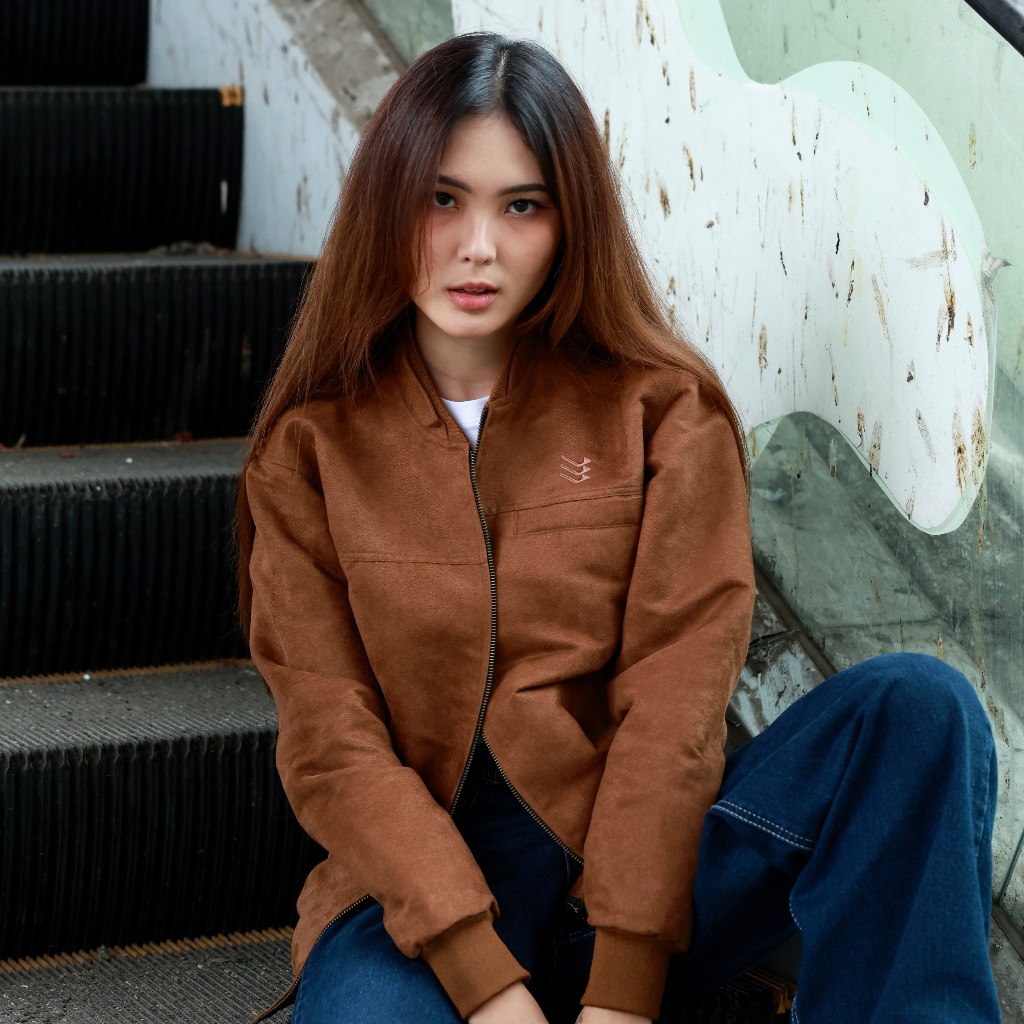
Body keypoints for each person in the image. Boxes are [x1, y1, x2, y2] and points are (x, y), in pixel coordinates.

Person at [236, 32, 1001, 1024]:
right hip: (417, 910)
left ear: (569, 223)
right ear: (386, 201)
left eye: (522, 206)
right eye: (442, 198)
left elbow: (674, 705)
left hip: (641, 868)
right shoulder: (309, 452)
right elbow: (333, 747)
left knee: (919, 709)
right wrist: (484, 981)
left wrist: (623, 990)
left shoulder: (661, 410)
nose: (478, 245)